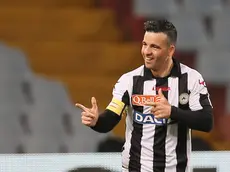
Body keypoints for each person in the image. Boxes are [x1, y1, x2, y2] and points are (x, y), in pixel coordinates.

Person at [76, 19, 213, 172]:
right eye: (144, 44)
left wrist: (172, 112)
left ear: (170, 50)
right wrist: (97, 121)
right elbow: (111, 118)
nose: (146, 51)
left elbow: (206, 121)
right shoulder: (129, 80)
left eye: (154, 47)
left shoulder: (191, 79)